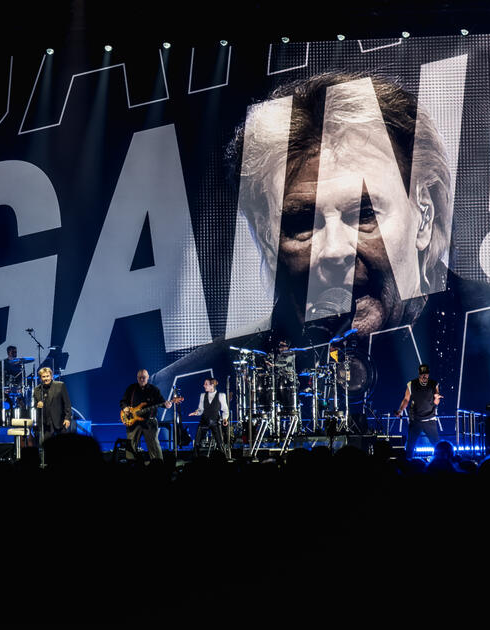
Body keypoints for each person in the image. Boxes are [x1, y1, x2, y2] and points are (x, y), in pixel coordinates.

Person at [153, 70, 454, 415]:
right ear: (265, 241)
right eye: (301, 223)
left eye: (363, 215)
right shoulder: (184, 386)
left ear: (424, 218)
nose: (335, 249)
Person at [119, 369, 172, 462]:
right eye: (139, 377)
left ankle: (158, 467)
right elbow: (123, 402)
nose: (142, 379)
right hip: (133, 423)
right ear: (137, 378)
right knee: (130, 446)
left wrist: (167, 405)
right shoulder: (131, 388)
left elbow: (162, 402)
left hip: (149, 422)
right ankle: (131, 466)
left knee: (154, 446)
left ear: (148, 377)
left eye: (144, 377)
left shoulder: (154, 390)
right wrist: (125, 408)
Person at [395, 364, 443, 458]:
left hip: (429, 420)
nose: (424, 376)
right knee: (410, 447)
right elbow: (406, 399)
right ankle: (408, 465)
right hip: (415, 420)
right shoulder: (411, 384)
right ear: (419, 374)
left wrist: (437, 398)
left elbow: (436, 401)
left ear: (428, 374)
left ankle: (441, 464)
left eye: (426, 374)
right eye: (422, 374)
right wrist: (400, 410)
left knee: (437, 445)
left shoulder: (434, 384)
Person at [188, 378, 229, 458]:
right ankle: (196, 459)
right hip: (204, 421)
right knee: (197, 442)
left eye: (206, 384)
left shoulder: (221, 395)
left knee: (220, 443)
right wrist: (196, 412)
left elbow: (225, 410)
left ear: (212, 385)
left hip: (215, 421)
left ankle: (224, 459)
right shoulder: (203, 396)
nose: (204, 386)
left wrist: (225, 419)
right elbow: (200, 409)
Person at [33, 367, 72, 443]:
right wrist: (37, 404)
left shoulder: (60, 385)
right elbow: (35, 405)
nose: (46, 378)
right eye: (43, 377)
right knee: (48, 447)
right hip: (45, 423)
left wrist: (67, 418)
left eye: (47, 376)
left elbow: (67, 403)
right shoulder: (37, 390)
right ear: (40, 378)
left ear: (51, 376)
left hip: (60, 422)